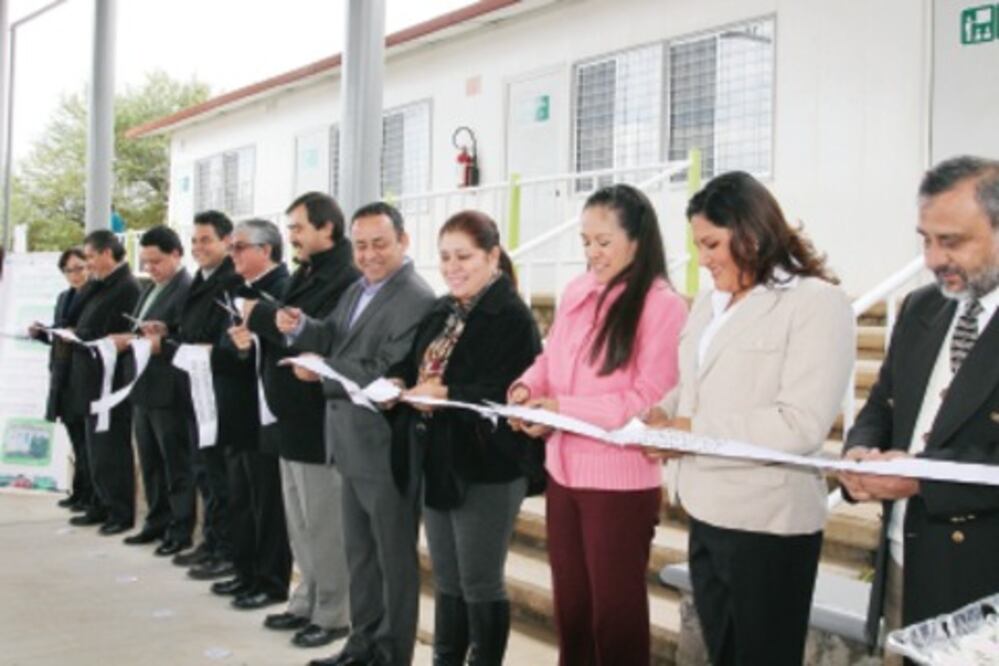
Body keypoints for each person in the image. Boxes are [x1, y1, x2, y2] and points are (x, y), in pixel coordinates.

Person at [648, 171, 854, 666]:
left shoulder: (815, 304)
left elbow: (800, 422)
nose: (703, 259)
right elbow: (694, 385)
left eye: (712, 243)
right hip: (706, 511)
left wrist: (691, 433)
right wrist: (664, 411)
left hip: (768, 525)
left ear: (752, 234)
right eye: (698, 245)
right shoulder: (708, 302)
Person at [508, 184, 688, 666]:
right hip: (563, 475)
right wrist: (525, 391)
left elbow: (645, 396)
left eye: (603, 241)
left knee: (615, 615)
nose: (592, 252)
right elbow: (548, 361)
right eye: (585, 241)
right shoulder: (577, 292)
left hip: (619, 483)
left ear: (637, 239)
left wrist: (560, 408)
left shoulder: (661, 304)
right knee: (573, 609)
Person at [839, 156, 999, 662]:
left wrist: (921, 479)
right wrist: (859, 452)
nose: (932, 259)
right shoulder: (919, 309)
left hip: (981, 581)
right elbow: (882, 404)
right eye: (925, 239)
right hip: (906, 562)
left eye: (951, 241)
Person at [278, 201, 435, 666]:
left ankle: (391, 654)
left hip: (385, 449)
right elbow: (335, 337)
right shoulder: (360, 289)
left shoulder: (415, 298)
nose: (368, 255)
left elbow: (385, 369)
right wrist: (304, 328)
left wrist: (323, 373)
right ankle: (362, 644)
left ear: (404, 242)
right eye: (361, 246)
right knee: (361, 556)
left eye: (379, 245)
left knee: (393, 562)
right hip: (348, 443)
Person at [386, 211, 543, 665]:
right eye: (445, 257)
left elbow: (512, 390)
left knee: (479, 581)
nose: (453, 267)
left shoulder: (511, 315)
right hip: (439, 458)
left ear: (493, 256)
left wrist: (450, 393)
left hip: (488, 464)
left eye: (464, 257)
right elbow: (414, 362)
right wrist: (398, 382)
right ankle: (445, 658)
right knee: (448, 579)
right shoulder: (441, 308)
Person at [244, 192, 359, 648]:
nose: (291, 236)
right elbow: (286, 319)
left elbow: (314, 331)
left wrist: (263, 316)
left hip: (317, 417)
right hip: (287, 413)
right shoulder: (306, 272)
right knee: (300, 519)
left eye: (297, 228)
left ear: (326, 228)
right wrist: (263, 320)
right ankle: (307, 596)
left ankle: (333, 611)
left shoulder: (344, 279)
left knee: (324, 520)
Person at [141, 211, 238, 575]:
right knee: (204, 471)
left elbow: (215, 340)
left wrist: (167, 346)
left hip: (215, 390)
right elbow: (190, 326)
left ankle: (224, 550)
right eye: (195, 240)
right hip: (193, 389)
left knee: (218, 475)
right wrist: (168, 327)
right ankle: (211, 543)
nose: (199, 247)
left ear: (227, 241)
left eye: (206, 240)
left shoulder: (230, 281)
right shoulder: (202, 278)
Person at [213, 218, 292, 611]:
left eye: (240, 247)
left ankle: (271, 579)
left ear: (266, 250)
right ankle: (244, 571)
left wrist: (248, 345)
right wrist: (236, 347)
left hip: (266, 411)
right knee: (241, 497)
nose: (233, 255)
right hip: (236, 408)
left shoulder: (284, 289)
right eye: (231, 248)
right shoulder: (238, 290)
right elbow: (223, 345)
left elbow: (280, 346)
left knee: (268, 501)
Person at [115, 225, 194, 556]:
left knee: (175, 462)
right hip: (143, 386)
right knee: (149, 461)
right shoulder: (151, 289)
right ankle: (156, 521)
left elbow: (185, 333)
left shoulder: (186, 289)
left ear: (176, 254)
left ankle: (180, 528)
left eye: (156, 261)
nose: (150, 268)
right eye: (145, 262)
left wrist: (163, 334)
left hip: (169, 388)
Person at [66, 230, 141, 534]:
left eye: (92, 257)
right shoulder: (99, 286)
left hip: (111, 380)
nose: (88, 264)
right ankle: (99, 503)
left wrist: (86, 336)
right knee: (94, 448)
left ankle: (118, 512)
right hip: (89, 376)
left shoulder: (127, 287)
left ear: (108, 253)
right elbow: (76, 316)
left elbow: (120, 332)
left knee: (111, 449)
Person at [29, 248, 91, 511]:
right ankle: (78, 492)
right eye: (69, 270)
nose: (75, 275)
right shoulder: (64, 297)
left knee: (87, 442)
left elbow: (88, 334)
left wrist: (71, 333)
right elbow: (58, 335)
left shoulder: (94, 296)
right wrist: (42, 332)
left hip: (83, 375)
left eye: (79, 268)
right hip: (62, 374)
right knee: (75, 439)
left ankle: (89, 494)